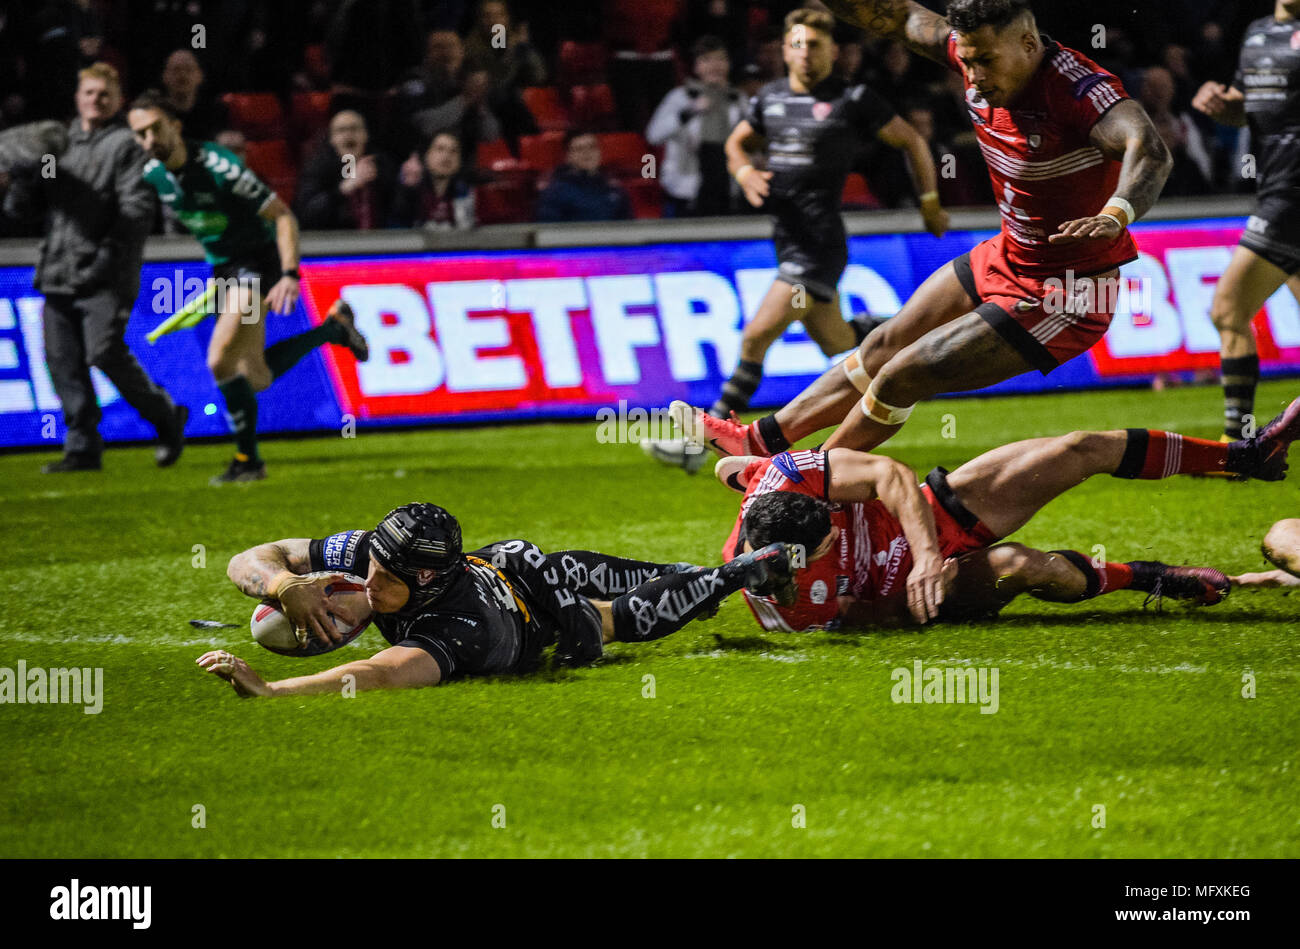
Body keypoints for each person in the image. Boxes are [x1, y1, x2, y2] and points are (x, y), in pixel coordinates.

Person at [665, 0, 1174, 467]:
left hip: (1068, 292)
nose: (972, 77)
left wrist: (1116, 212)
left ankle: (806, 480)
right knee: (883, 343)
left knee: (903, 374)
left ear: (1028, 43)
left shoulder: (1077, 89)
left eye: (985, 62)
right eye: (966, 60)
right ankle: (759, 441)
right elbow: (896, 14)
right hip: (1008, 255)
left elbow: (1148, 147)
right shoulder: (976, 52)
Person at [642, 7, 947, 473]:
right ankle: (900, 330)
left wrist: (928, 200)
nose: (807, 53)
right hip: (787, 239)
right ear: (785, 50)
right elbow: (735, 144)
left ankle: (700, 444)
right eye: (798, 44)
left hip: (818, 242)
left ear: (833, 51)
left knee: (756, 336)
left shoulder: (855, 98)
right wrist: (743, 171)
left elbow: (913, 142)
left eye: (817, 44)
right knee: (837, 341)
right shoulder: (770, 99)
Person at [716, 395, 1300, 631]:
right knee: (1025, 567)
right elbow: (869, 618)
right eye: (823, 549)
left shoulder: (786, 478)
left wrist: (923, 552)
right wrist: (920, 590)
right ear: (785, 568)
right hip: (918, 591)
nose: (833, 537)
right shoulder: (787, 608)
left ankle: (1244, 455)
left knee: (1079, 448)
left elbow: (890, 477)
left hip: (923, 520)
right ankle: (1151, 578)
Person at [196, 502, 797, 697]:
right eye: (369, 564)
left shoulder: (458, 626)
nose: (367, 581)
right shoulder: (377, 556)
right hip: (521, 561)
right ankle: (721, 577)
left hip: (548, 614)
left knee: (615, 621)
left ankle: (740, 572)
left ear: (426, 582)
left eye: (386, 577)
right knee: (658, 573)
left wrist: (274, 690)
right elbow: (247, 557)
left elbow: (375, 675)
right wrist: (283, 586)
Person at [126, 91, 370, 484]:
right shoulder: (154, 174)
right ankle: (334, 329)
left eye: (156, 128)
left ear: (175, 125)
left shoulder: (219, 166)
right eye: (141, 134)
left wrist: (290, 274)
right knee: (254, 376)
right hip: (225, 270)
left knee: (219, 359)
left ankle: (248, 460)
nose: (149, 139)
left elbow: (284, 217)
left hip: (257, 265)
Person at [1, 63, 186, 474]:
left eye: (104, 94)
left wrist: (106, 259)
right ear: (77, 97)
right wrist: (24, 179)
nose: (95, 100)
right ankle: (82, 446)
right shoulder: (57, 143)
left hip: (106, 273)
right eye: (89, 93)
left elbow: (135, 211)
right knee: (62, 360)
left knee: (103, 352)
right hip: (57, 269)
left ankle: (165, 415)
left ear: (117, 100)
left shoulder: (126, 146)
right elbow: (24, 212)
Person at [1192, 0, 1300, 443]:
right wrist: (1220, 102)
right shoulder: (1257, 32)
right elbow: (1245, 108)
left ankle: (1237, 445)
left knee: (1228, 309)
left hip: (1290, 196)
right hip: (1274, 186)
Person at [644, 35, 746, 217]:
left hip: (727, 188)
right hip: (688, 190)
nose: (715, 66)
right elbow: (653, 136)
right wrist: (688, 112)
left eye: (721, 59)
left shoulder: (738, 99)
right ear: (696, 67)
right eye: (707, 60)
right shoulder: (679, 97)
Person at [295, 110, 396, 231]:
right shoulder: (317, 168)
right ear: (332, 139)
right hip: (335, 243)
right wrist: (342, 190)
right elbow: (305, 216)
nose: (348, 134)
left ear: (366, 135)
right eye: (341, 130)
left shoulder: (382, 164)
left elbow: (398, 211)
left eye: (354, 128)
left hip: (381, 242)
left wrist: (409, 187)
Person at [535, 131, 633, 222]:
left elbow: (628, 228)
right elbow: (547, 232)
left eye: (592, 147)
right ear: (568, 156)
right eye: (579, 149)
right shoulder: (554, 193)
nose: (587, 153)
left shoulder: (614, 189)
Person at [391, 131, 476, 229]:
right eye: (440, 149)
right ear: (426, 156)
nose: (447, 156)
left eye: (454, 151)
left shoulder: (467, 194)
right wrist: (407, 191)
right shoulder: (410, 192)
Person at [159, 49, 228, 142]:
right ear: (164, 76)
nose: (182, 75)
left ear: (200, 76)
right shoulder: (152, 113)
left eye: (189, 70)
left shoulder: (216, 112)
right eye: (176, 70)